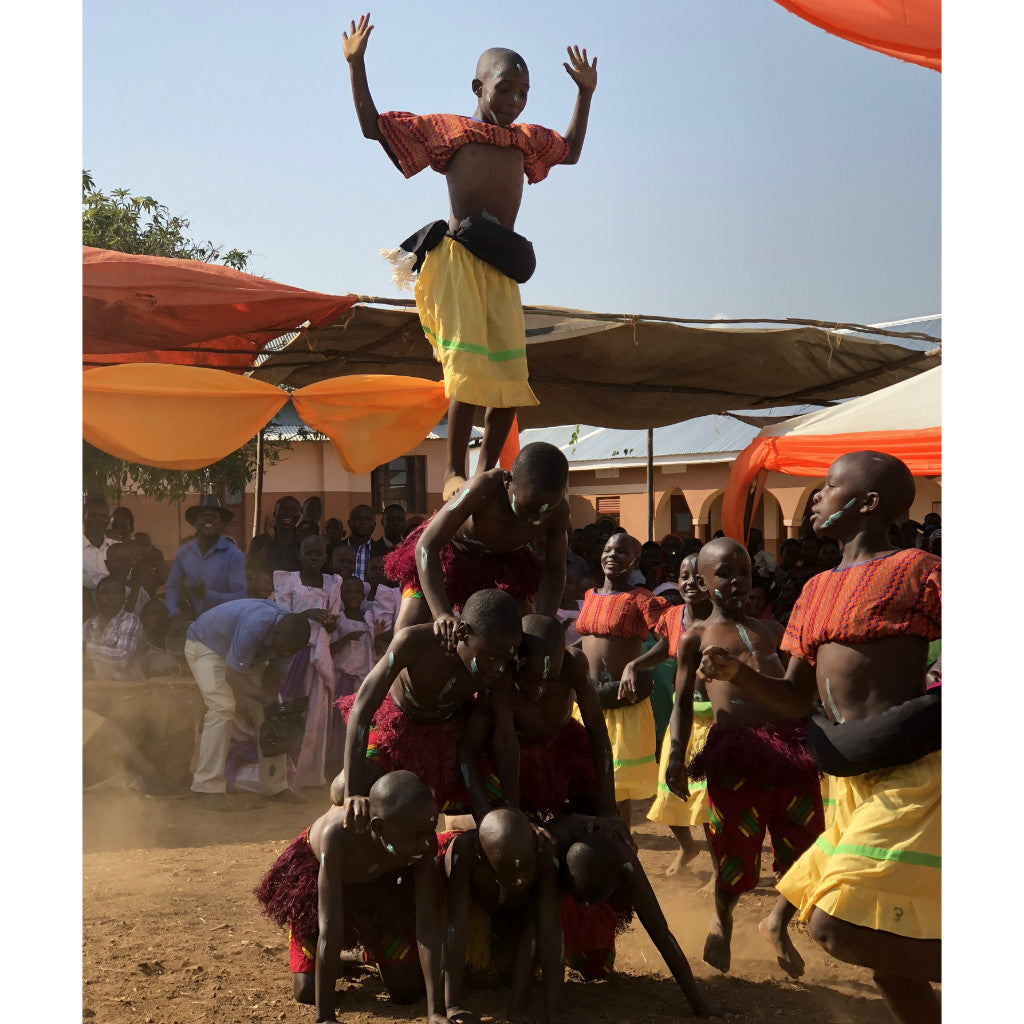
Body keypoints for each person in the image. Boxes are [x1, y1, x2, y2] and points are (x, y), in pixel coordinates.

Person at [697, 451, 941, 1024]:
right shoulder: (812, 592)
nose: (815, 499)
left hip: (910, 772)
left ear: (868, 504)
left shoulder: (919, 569)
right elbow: (794, 696)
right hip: (847, 778)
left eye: (830, 487)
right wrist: (737, 675)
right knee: (890, 963)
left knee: (835, 925)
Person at [342, 13, 597, 499]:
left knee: (509, 375)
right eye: (505, 89)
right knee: (466, 371)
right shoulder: (450, 131)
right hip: (460, 260)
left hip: (502, 267)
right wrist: (357, 65)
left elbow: (571, 151)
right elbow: (375, 128)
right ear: (478, 87)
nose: (515, 101)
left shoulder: (524, 140)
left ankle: (485, 469)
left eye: (524, 93)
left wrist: (585, 94)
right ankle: (451, 472)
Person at [665, 537, 824, 976]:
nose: (737, 582)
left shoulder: (774, 631)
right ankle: (723, 917)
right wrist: (676, 757)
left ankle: (777, 922)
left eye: (745, 574)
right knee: (734, 850)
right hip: (737, 754)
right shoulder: (694, 637)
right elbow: (680, 703)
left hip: (792, 751)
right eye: (725, 574)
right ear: (700, 581)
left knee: (804, 846)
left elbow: (800, 689)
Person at [254, 770, 446, 1024]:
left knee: (407, 990)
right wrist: (325, 1018)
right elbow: (329, 927)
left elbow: (426, 924)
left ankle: (362, 954)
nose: (425, 844)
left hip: (381, 888)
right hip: (319, 892)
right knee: (307, 991)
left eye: (429, 831)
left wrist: (436, 1013)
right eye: (415, 837)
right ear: (378, 827)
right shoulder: (338, 838)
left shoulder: (421, 839)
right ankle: (335, 958)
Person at [339, 589, 523, 827]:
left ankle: (455, 830)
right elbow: (362, 709)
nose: (498, 668)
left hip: (451, 732)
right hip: (396, 727)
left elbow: (504, 740)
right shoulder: (414, 642)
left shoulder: (498, 673)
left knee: (494, 809)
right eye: (490, 658)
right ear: (464, 633)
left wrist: (511, 810)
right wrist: (352, 793)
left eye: (505, 660)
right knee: (344, 788)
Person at [385, 441, 570, 646]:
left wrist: (543, 621)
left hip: (505, 564)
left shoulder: (560, 511)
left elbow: (554, 570)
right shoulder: (482, 488)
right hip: (447, 555)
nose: (534, 520)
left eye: (546, 511)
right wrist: (442, 614)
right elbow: (427, 546)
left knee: (527, 635)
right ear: (508, 481)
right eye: (525, 508)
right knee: (406, 630)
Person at [458, 614, 623, 833]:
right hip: (512, 762)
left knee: (605, 832)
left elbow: (597, 732)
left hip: (565, 747)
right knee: (519, 838)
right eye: (528, 678)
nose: (538, 692)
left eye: (550, 680)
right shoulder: (501, 679)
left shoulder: (574, 665)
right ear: (515, 660)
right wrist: (513, 817)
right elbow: (504, 742)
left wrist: (608, 811)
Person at [548, 813, 721, 1017]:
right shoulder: (548, 852)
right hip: (542, 864)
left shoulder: (624, 857)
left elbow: (660, 930)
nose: (586, 906)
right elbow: (547, 934)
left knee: (596, 965)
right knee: (521, 962)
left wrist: (699, 1005)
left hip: (588, 865)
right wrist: (553, 1013)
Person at [573, 533, 673, 827]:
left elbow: (671, 636)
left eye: (621, 552)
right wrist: (565, 654)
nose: (612, 556)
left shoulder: (642, 599)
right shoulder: (590, 595)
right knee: (587, 776)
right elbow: (589, 637)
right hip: (588, 700)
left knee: (615, 786)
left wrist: (635, 665)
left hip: (621, 704)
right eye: (607, 550)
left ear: (635, 560)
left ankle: (623, 843)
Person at [183, 598, 315, 810]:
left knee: (274, 711)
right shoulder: (257, 624)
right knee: (222, 708)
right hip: (207, 647)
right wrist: (265, 699)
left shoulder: (291, 637)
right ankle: (206, 787)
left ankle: (275, 787)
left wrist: (271, 706)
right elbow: (233, 675)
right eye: (282, 649)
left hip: (244, 655)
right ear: (277, 634)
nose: (285, 655)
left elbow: (273, 679)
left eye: (290, 652)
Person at [440, 808, 563, 1024]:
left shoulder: (545, 852)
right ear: (483, 858)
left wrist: (553, 1013)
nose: (519, 881)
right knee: (480, 978)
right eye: (507, 871)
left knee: (535, 928)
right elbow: (457, 927)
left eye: (526, 868)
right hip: (480, 915)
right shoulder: (464, 852)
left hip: (519, 917)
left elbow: (549, 930)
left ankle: (518, 1000)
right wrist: (451, 1005)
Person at [636, 555, 714, 877]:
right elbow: (664, 645)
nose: (689, 583)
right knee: (668, 793)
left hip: (713, 723)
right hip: (681, 719)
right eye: (684, 576)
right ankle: (688, 848)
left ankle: (720, 870)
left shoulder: (721, 622)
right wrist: (634, 665)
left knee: (709, 803)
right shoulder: (672, 616)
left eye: (698, 577)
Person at [272, 535, 343, 789]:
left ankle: (309, 775)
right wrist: (307, 615)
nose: (314, 558)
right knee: (290, 711)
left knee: (316, 715)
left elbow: (334, 622)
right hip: (294, 654)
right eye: (309, 553)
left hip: (319, 656)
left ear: (325, 557)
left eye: (319, 554)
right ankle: (283, 774)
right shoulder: (288, 580)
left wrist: (329, 622)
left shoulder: (333, 583)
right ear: (301, 554)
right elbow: (279, 618)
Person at [166, 494, 246, 620]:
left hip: (224, 622)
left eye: (214, 516)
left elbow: (240, 596)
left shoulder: (234, 555)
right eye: (203, 515)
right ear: (195, 523)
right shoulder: (184, 552)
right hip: (189, 622)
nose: (208, 519)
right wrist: (175, 612)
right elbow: (172, 586)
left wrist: (208, 595)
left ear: (222, 524)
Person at [83, 575, 144, 682]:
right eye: (105, 592)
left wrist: (86, 649)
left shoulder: (130, 621)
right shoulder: (89, 624)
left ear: (124, 598)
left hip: (131, 692)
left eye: (116, 593)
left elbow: (122, 658)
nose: (110, 597)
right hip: (100, 691)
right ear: (96, 597)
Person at [248, 495, 302, 573]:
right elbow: (251, 568)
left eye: (293, 510)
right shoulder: (260, 541)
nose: (288, 513)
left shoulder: (303, 543)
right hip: (267, 585)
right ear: (275, 514)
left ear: (298, 517)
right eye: (283, 509)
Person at [83, 497, 113, 617]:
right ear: (83, 517)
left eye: (103, 515)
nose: (99, 519)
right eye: (93, 515)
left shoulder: (117, 547)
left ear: (108, 519)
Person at [343, 504, 388, 581]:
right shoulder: (333, 549)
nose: (363, 522)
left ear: (374, 525)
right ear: (349, 523)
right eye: (358, 518)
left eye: (368, 519)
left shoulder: (385, 552)